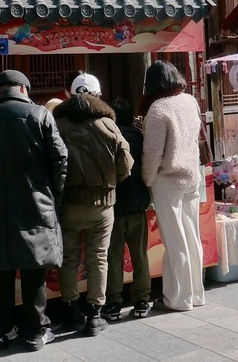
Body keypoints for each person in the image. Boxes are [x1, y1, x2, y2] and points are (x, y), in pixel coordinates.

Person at [0, 70, 68, 352]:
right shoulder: (41, 116)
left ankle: (2, 330)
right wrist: (53, 195)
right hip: (34, 203)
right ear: (22, 89)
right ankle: (36, 331)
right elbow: (60, 159)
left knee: (0, 272)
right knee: (33, 270)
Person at [52, 72, 132, 337]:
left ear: (70, 94)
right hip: (102, 203)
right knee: (99, 258)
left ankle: (72, 311)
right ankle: (95, 315)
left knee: (69, 259)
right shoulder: (108, 125)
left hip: (69, 205)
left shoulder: (58, 124)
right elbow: (125, 164)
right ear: (98, 95)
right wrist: (112, 181)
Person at [140, 60, 205, 312]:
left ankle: (178, 298)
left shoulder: (158, 109)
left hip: (168, 181)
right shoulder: (190, 101)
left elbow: (152, 153)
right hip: (191, 176)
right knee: (192, 237)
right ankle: (196, 293)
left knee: (175, 241)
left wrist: (147, 179)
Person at [101, 98, 152, 322]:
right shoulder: (139, 136)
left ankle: (113, 303)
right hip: (138, 202)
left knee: (114, 256)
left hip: (114, 204)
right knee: (140, 255)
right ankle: (141, 300)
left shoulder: (108, 136)